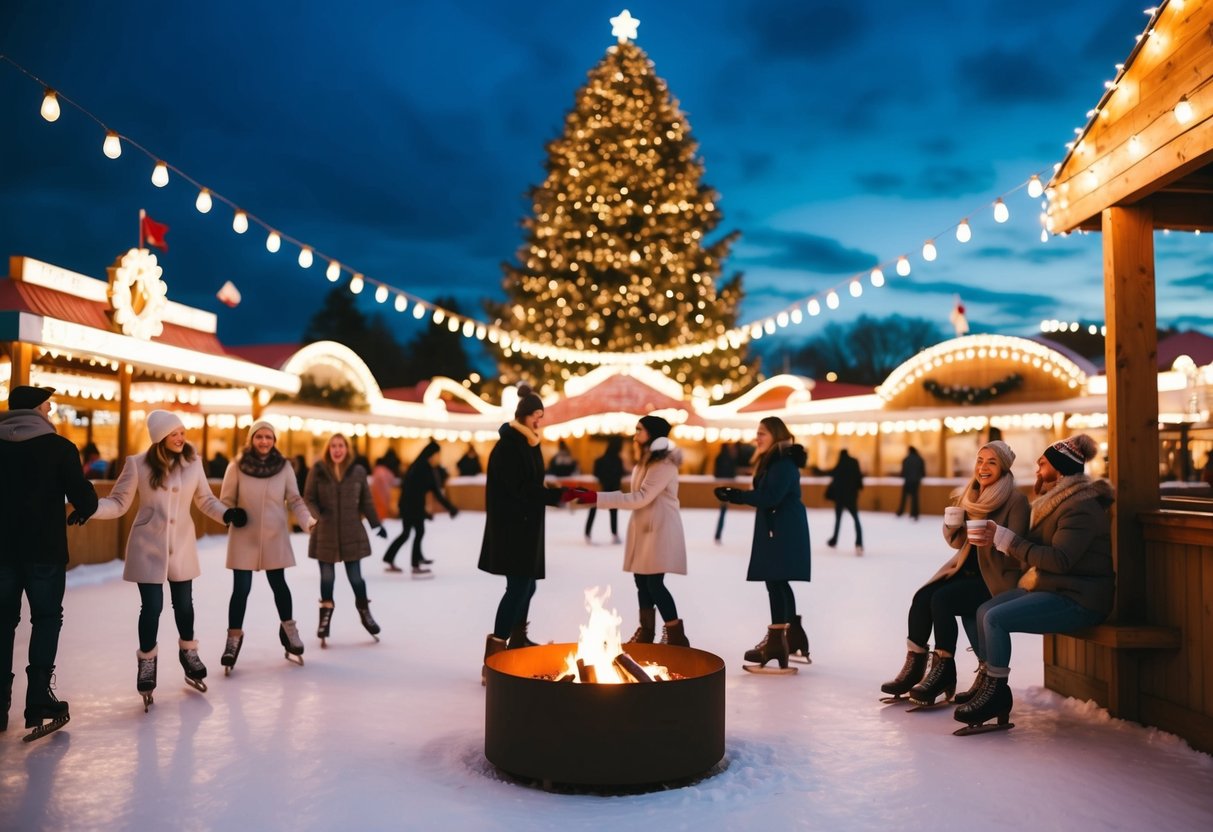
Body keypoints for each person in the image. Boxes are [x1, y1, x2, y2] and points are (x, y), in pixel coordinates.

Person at [957, 434, 1114, 733]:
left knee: (995, 618)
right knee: (981, 609)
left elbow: (1060, 560)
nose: (1038, 470)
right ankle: (989, 683)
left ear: (1060, 469)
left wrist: (1010, 542)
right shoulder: (1055, 502)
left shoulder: (1080, 507)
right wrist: (1003, 539)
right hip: (1053, 587)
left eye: (1043, 464)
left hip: (1080, 598)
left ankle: (996, 693)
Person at [91, 410, 240, 711]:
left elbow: (204, 499)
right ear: (160, 437)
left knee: (184, 604)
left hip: (181, 545)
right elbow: (119, 502)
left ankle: (188, 651)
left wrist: (226, 513)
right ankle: (147, 661)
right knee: (153, 606)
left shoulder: (192, 463)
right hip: (148, 546)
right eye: (174, 433)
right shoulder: (138, 464)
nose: (181, 438)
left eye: (182, 432)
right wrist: (90, 507)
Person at [879, 440, 1029, 706]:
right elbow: (960, 543)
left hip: (994, 578)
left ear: (1004, 468)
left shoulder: (1015, 500)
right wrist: (952, 527)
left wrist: (996, 538)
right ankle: (914, 667)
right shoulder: (971, 494)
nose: (983, 467)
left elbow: (1018, 549)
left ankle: (944, 668)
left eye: (991, 462)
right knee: (923, 596)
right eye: (980, 461)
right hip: (966, 570)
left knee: (944, 599)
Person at [0, 386, 98, 740]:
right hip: (44, 552)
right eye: (48, 405)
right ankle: (39, 700)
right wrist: (82, 511)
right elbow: (83, 497)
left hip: (2, 553)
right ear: (36, 410)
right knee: (45, 619)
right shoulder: (58, 448)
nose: (51, 411)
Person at [478, 384, 578, 680]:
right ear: (523, 416)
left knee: (527, 585)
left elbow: (531, 486)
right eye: (536, 415)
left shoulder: (528, 444)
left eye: (541, 415)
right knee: (518, 587)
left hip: (525, 525)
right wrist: (553, 496)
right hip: (512, 527)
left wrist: (554, 494)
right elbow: (518, 489)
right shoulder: (510, 446)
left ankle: (518, 639)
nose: (540, 420)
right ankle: (494, 654)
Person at [575, 415, 691, 647]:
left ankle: (675, 636)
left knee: (655, 583)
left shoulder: (663, 463)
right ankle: (647, 632)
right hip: (644, 529)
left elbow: (641, 497)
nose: (635, 434)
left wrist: (597, 498)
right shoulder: (647, 461)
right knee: (642, 581)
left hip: (659, 530)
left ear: (652, 434)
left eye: (639, 430)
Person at [218, 420, 315, 674]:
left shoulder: (283, 467)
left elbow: (294, 499)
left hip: (274, 536)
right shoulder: (237, 466)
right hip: (244, 536)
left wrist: (307, 521)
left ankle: (289, 631)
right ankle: (233, 639)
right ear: (252, 439)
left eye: (268, 437)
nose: (264, 441)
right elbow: (224, 501)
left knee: (279, 586)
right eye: (259, 437)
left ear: (274, 441)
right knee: (241, 589)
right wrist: (230, 513)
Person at [715, 417, 811, 671]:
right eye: (756, 433)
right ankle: (792, 635)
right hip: (779, 526)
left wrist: (737, 495)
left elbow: (771, 496)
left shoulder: (782, 462)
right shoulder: (775, 460)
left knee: (776, 581)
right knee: (778, 581)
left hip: (782, 528)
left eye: (762, 433)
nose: (757, 437)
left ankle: (778, 642)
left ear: (776, 435)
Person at [305, 433, 388, 646]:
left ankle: (364, 612)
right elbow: (309, 498)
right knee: (327, 578)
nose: (337, 449)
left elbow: (367, 501)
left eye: (340, 445)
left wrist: (376, 523)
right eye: (333, 446)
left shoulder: (358, 471)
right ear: (328, 449)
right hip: (326, 531)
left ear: (347, 449)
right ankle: (325, 619)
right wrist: (316, 517)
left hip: (352, 531)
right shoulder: (318, 470)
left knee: (356, 578)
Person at [384, 440, 458, 576]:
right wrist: (450, 508)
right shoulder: (423, 469)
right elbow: (433, 492)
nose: (438, 458)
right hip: (411, 507)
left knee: (411, 533)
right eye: (437, 455)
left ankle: (394, 558)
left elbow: (429, 492)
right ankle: (415, 564)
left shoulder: (420, 466)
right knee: (416, 532)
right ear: (431, 454)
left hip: (411, 506)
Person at [584, 436, 624, 544]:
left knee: (593, 510)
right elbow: (620, 474)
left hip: (601, 489)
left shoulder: (599, 460)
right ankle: (614, 534)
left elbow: (595, 474)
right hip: (613, 489)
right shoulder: (618, 461)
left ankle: (587, 533)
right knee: (613, 512)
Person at [825, 449, 864, 555]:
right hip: (851, 497)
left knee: (838, 520)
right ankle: (859, 543)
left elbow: (832, 474)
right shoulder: (854, 462)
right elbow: (859, 478)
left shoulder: (840, 464)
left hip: (840, 497)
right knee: (856, 519)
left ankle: (834, 540)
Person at [712, 442, 738, 544]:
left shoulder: (719, 458)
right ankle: (718, 535)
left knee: (722, 511)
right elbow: (733, 473)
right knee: (723, 511)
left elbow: (716, 473)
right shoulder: (731, 459)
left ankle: (718, 535)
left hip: (719, 486)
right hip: (727, 488)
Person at [896, 446, 926, 520]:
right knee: (915, 497)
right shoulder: (919, 459)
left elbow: (903, 472)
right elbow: (923, 472)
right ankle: (914, 513)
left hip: (908, 481)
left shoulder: (906, 459)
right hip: (916, 481)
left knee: (904, 497)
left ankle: (901, 511)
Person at [370, 451, 401, 523]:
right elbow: (386, 494)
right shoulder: (386, 473)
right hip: (382, 505)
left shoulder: (378, 470)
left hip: (376, 504)